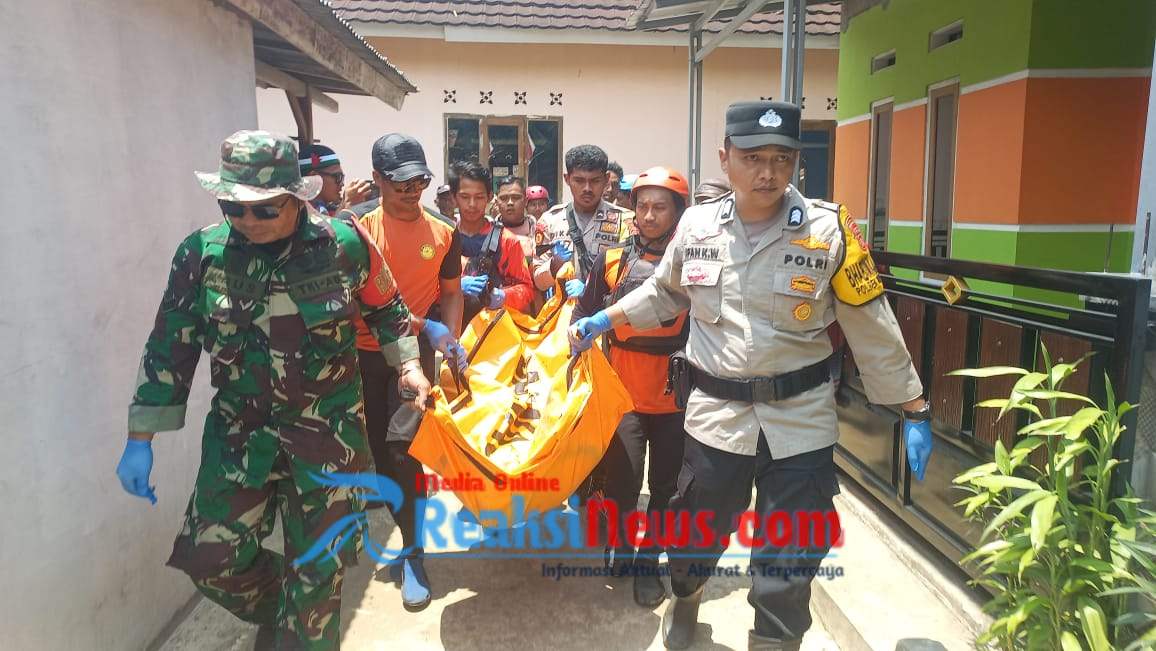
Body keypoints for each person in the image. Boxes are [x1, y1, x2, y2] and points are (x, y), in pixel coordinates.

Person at [570, 101, 933, 651]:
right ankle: (687, 598)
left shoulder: (829, 230)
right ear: (726, 158)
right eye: (753, 158)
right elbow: (666, 292)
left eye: (782, 158)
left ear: (796, 162)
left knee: (790, 559)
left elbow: (872, 323)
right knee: (693, 537)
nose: (768, 172)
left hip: (802, 422)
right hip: (716, 420)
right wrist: (607, 318)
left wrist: (913, 408)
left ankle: (774, 640)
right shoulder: (696, 226)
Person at [115, 131, 430, 650]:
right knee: (211, 561)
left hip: (328, 439)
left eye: (264, 209)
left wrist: (409, 366)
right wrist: (139, 438)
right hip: (240, 437)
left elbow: (388, 310)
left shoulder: (343, 244)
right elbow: (170, 344)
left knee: (319, 576)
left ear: (295, 197)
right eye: (233, 208)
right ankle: (289, 608)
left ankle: (304, 618)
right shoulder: (202, 254)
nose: (248, 221)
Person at [354, 133, 467, 612]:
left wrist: (450, 341)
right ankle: (404, 527)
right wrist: (425, 324)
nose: (411, 190)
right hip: (361, 353)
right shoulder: (356, 229)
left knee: (403, 450)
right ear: (377, 179)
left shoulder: (443, 230)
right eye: (400, 182)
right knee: (380, 454)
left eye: (419, 181)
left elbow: (452, 291)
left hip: (415, 357)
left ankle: (413, 552)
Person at [572, 166, 691, 609]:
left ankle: (648, 560)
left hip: (675, 398)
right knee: (623, 483)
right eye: (643, 206)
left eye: (661, 207)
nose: (649, 215)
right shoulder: (611, 260)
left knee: (665, 488)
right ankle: (620, 546)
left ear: (678, 213)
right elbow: (582, 312)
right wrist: (576, 337)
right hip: (623, 396)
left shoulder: (694, 268)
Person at [534, 145, 634, 301]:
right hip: (562, 312)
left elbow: (632, 277)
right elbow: (539, 282)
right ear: (567, 179)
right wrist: (555, 264)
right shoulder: (549, 221)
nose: (587, 188)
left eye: (595, 181)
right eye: (579, 181)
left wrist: (590, 289)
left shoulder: (625, 221)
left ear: (606, 179)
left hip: (605, 310)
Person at [451, 161, 534, 325]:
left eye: (479, 197)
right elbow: (424, 286)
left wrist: (503, 296)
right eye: (465, 197)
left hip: (494, 328)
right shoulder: (444, 237)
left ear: (489, 197)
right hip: (450, 328)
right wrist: (453, 287)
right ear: (454, 198)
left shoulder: (507, 240)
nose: (472, 204)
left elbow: (527, 290)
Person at [298, 143, 372, 215]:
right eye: (338, 176)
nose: (342, 184)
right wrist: (344, 208)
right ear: (314, 177)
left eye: (342, 177)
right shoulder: (297, 212)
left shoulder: (329, 209)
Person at [495, 175, 536, 262]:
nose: (510, 203)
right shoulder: (488, 232)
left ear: (525, 201)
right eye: (504, 198)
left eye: (516, 198)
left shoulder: (539, 229)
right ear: (496, 202)